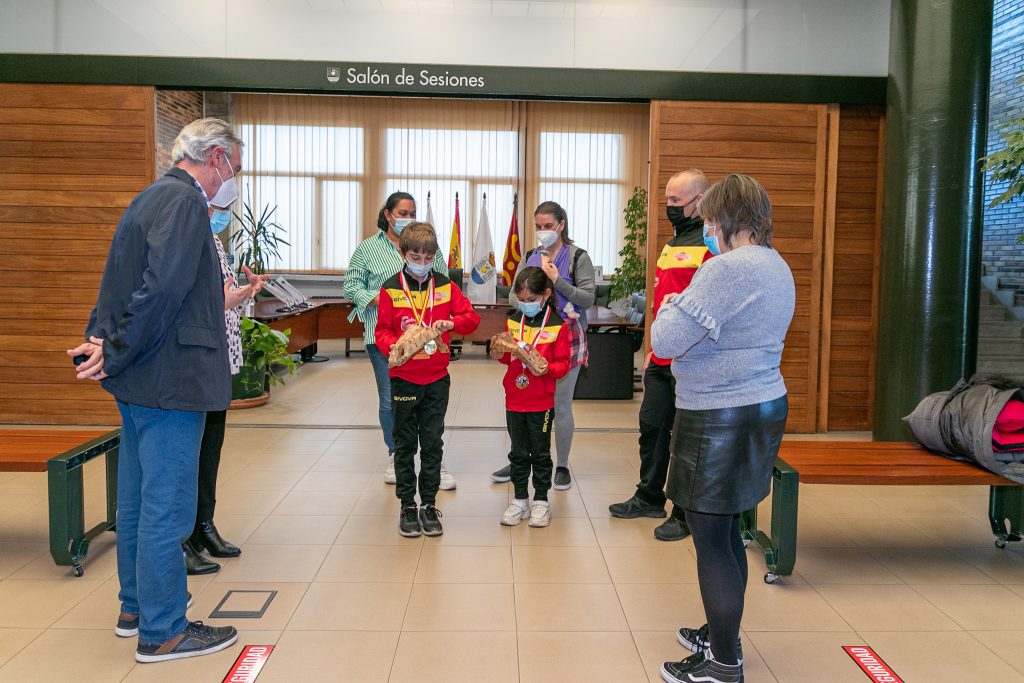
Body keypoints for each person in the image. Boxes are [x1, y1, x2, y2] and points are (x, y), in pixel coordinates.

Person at [67, 118, 242, 663]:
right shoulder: (188, 203)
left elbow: (115, 281)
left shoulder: (148, 197)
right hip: (171, 379)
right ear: (215, 158)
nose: (233, 177)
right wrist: (113, 348)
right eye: (234, 165)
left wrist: (101, 340)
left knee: (139, 501)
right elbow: (162, 288)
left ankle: (135, 609)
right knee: (168, 506)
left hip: (139, 379)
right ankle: (164, 631)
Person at [651, 174, 794, 683]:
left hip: (718, 415)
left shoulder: (726, 270)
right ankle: (720, 634)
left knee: (710, 537)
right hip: (760, 406)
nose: (705, 227)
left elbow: (666, 340)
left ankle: (723, 663)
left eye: (710, 219)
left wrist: (670, 303)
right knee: (729, 528)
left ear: (729, 218)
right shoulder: (776, 265)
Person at [609, 169, 712, 542]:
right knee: (652, 428)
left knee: (685, 439)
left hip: (693, 361)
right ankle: (649, 496)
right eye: (666, 200)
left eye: (674, 201)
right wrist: (655, 349)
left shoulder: (711, 244)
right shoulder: (673, 242)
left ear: (698, 200)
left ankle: (685, 512)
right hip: (662, 357)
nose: (667, 207)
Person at [343, 192, 457, 491]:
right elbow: (351, 283)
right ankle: (396, 453)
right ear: (388, 214)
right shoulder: (367, 248)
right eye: (403, 211)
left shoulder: (427, 246)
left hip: (427, 339)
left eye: (413, 211)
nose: (408, 216)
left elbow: (444, 279)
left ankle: (434, 460)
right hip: (385, 337)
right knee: (389, 397)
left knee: (429, 402)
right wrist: (377, 300)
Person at [374, 222, 480, 537]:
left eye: (427, 258)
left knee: (432, 442)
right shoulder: (391, 288)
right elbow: (381, 331)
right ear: (402, 253)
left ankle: (429, 504)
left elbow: (471, 319)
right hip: (404, 378)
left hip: (436, 379)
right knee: (405, 444)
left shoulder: (446, 286)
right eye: (415, 257)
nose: (421, 264)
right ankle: (408, 504)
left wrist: (452, 322)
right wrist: (394, 344)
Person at [183, 202, 270, 575]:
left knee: (211, 449)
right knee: (188, 453)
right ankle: (183, 538)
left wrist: (244, 293)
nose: (222, 213)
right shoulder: (185, 242)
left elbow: (221, 299)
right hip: (194, 362)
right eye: (217, 205)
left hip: (221, 355)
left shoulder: (216, 242)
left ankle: (205, 526)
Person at [491, 201, 596, 490]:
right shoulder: (530, 256)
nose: (542, 231)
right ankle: (519, 459)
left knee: (560, 405)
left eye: (548, 226)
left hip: (566, 338)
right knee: (523, 402)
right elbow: (513, 295)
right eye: (538, 226)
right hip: (529, 338)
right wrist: (529, 303)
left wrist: (556, 282)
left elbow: (587, 298)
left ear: (561, 225)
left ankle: (560, 466)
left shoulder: (578, 257)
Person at [491, 267, 571, 528]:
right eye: (521, 300)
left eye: (531, 300)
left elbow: (564, 365)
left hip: (542, 401)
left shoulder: (558, 325)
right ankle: (520, 500)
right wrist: (502, 353)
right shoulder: (514, 320)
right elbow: (504, 355)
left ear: (546, 295)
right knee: (518, 451)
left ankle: (541, 501)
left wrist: (547, 367)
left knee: (540, 452)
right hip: (514, 397)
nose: (525, 305)